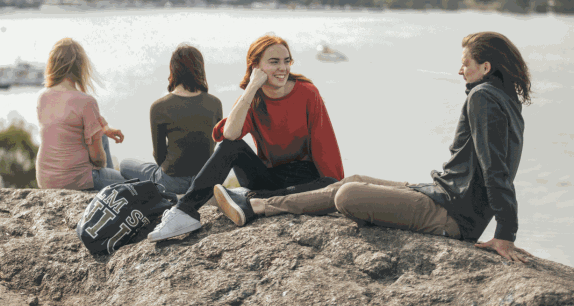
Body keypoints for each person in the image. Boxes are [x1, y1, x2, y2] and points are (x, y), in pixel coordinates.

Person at [214, 32, 534, 263]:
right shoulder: (506, 101)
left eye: (466, 64)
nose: (460, 70)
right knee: (352, 180)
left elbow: (496, 170)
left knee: (346, 196)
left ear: (486, 68)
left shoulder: (483, 98)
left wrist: (506, 233)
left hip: (454, 215)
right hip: (442, 193)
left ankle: (256, 206)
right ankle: (255, 206)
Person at [147, 35, 344, 242]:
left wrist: (335, 190)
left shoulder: (307, 93)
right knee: (232, 146)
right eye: (274, 62)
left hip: (304, 178)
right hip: (268, 178)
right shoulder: (252, 99)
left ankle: (251, 199)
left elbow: (325, 145)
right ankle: (185, 211)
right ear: (256, 67)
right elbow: (230, 135)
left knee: (330, 183)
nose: (283, 68)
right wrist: (251, 88)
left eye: (287, 61)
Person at [119, 45, 223, 195]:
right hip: (203, 180)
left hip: (172, 182)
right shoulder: (215, 103)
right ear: (200, 68)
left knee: (124, 164)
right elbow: (211, 144)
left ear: (173, 69)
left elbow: (159, 154)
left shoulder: (159, 106)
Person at [35, 38, 127, 190]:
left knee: (101, 137)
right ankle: (111, 193)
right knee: (133, 185)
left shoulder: (43, 97)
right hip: (75, 180)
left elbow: (63, 128)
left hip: (45, 179)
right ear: (81, 67)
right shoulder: (86, 102)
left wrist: (102, 128)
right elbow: (98, 161)